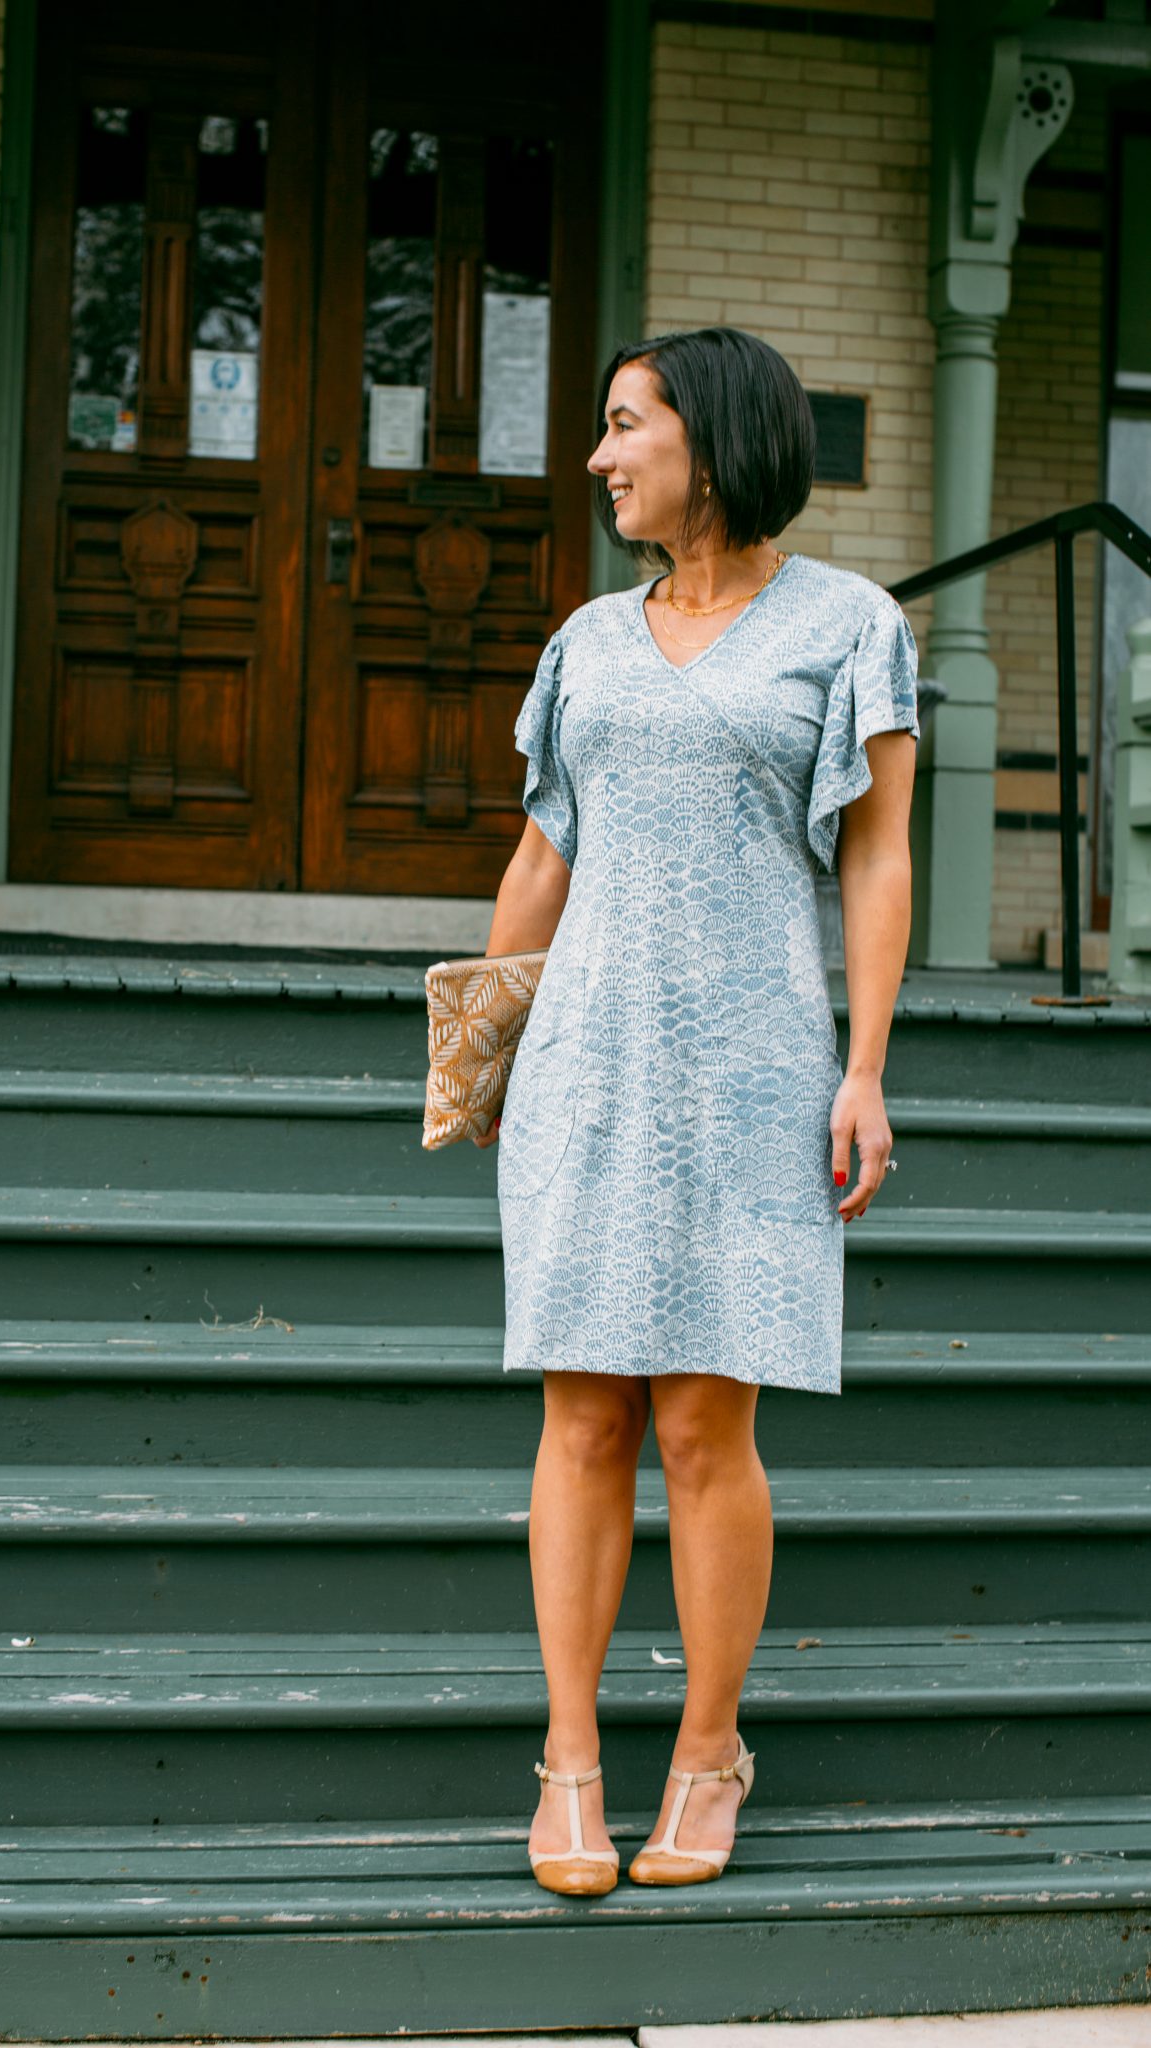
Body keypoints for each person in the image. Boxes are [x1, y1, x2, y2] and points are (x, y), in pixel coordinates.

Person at [471, 327, 919, 1896]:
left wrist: (863, 1066)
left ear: (710, 443)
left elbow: (874, 855)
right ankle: (573, 1757)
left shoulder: (847, 624)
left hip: (753, 1061)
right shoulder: (587, 637)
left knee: (700, 1422)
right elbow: (544, 852)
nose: (599, 458)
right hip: (583, 1059)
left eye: (622, 428)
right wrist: (477, 1046)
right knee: (581, 1413)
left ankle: (708, 1747)